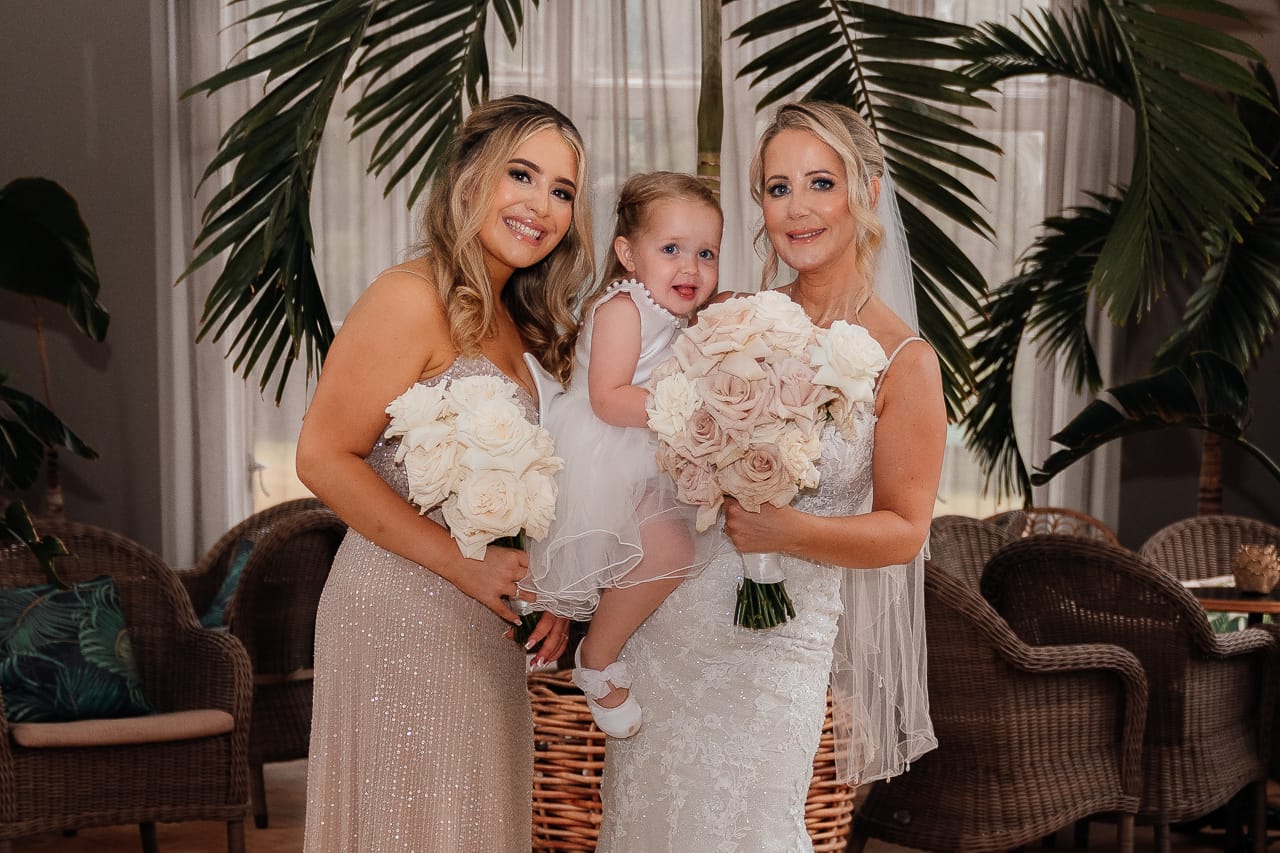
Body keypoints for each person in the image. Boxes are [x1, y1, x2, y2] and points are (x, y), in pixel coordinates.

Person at [598, 101, 945, 851]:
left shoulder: (905, 363)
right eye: (778, 188)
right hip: (670, 630)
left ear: (867, 191)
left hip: (775, 651)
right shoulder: (726, 315)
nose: (797, 207)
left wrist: (789, 530)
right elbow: (640, 440)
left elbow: (905, 530)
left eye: (821, 182)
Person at [295, 95, 591, 852]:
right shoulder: (408, 296)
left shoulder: (521, 324)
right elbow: (322, 457)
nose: (541, 205)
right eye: (521, 175)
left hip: (485, 624)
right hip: (399, 610)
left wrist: (550, 593)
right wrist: (462, 564)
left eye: (562, 190)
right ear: (467, 179)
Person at [522, 171, 723, 738]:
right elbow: (608, 398)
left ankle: (616, 650)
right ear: (628, 255)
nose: (691, 268)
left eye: (706, 253)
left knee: (677, 553)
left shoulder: (677, 316)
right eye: (671, 249)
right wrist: (691, 410)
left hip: (648, 443)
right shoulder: (623, 309)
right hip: (605, 447)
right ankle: (596, 658)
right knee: (670, 550)